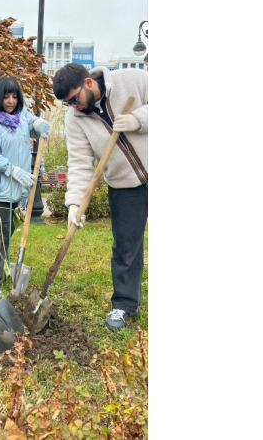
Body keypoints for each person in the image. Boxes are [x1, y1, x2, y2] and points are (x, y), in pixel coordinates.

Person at [51, 63, 148, 331]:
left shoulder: (133, 80)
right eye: (67, 104)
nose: (74, 107)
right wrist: (74, 203)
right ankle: (125, 304)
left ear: (89, 84)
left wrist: (138, 120)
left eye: (74, 99)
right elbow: (80, 162)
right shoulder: (76, 119)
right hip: (124, 186)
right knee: (125, 248)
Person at [0, 77, 51, 296]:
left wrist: (38, 124)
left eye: (15, 96)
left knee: (4, 231)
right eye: (6, 96)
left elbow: (30, 121)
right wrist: (12, 170)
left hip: (13, 189)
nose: (11, 101)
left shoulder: (19, 116)